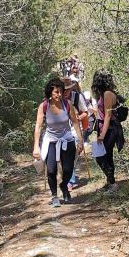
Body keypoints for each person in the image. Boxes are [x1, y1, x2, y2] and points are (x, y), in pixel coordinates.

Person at [33, 77, 85, 206]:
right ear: (50, 92)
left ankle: (63, 185)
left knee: (68, 169)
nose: (59, 94)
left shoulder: (67, 104)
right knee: (51, 170)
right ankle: (54, 196)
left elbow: (75, 122)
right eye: (56, 92)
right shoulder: (44, 106)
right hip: (51, 140)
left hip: (67, 139)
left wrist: (80, 140)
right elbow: (38, 127)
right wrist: (36, 146)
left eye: (61, 91)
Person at [91, 70, 124, 192]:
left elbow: (108, 116)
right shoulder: (104, 93)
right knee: (107, 156)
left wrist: (102, 135)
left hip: (110, 129)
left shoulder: (108, 94)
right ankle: (110, 183)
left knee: (100, 156)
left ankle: (113, 183)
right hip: (105, 128)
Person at [63, 75, 88, 189]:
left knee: (72, 156)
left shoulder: (77, 97)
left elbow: (86, 113)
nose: (66, 91)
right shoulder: (56, 99)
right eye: (64, 89)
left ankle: (70, 180)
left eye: (68, 89)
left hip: (75, 131)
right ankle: (70, 179)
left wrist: (77, 118)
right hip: (62, 132)